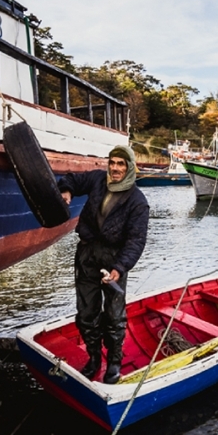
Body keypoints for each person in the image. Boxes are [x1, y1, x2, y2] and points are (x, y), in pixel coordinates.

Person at [58, 145, 149, 384]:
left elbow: (136, 240)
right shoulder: (98, 179)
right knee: (87, 313)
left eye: (121, 164)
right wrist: (67, 191)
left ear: (129, 167)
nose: (116, 168)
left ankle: (115, 361)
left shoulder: (138, 201)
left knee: (114, 315)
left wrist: (119, 268)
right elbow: (72, 179)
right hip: (87, 255)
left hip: (114, 261)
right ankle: (94, 358)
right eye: (113, 162)